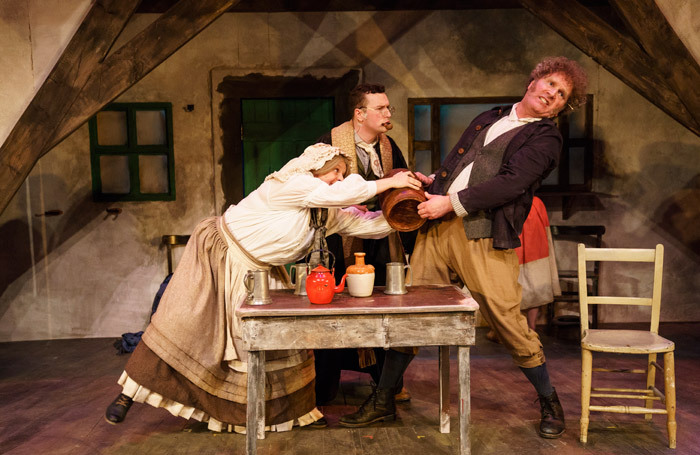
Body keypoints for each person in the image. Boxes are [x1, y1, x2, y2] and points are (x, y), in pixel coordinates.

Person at [340, 57, 588, 439]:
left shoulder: (545, 138)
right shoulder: (490, 117)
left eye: (561, 95)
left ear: (560, 106)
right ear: (533, 80)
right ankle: (384, 398)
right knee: (412, 311)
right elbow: (458, 165)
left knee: (507, 321)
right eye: (550, 84)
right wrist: (434, 184)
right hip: (439, 230)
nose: (552, 95)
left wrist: (451, 203)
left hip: (484, 234)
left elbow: (511, 183)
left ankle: (550, 400)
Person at [104, 143, 420, 433]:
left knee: (277, 343)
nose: (339, 178)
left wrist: (413, 211)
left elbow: (368, 223)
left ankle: (290, 415)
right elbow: (340, 194)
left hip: (261, 273)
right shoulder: (289, 185)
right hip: (221, 257)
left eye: (343, 174)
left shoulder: (324, 211)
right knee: (184, 326)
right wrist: (389, 182)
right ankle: (128, 394)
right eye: (335, 170)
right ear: (314, 168)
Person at [314, 83, 414, 405]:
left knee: (384, 309)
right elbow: (320, 190)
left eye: (389, 108)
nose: (388, 114)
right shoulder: (329, 144)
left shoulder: (388, 146)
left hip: (381, 240)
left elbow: (400, 182)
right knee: (337, 311)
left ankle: (387, 384)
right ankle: (325, 387)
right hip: (339, 240)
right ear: (360, 114)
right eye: (380, 108)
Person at [486, 196, 561, 341]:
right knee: (522, 278)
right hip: (525, 215)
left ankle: (520, 328)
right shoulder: (536, 202)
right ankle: (521, 328)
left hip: (518, 217)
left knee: (521, 278)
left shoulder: (532, 202)